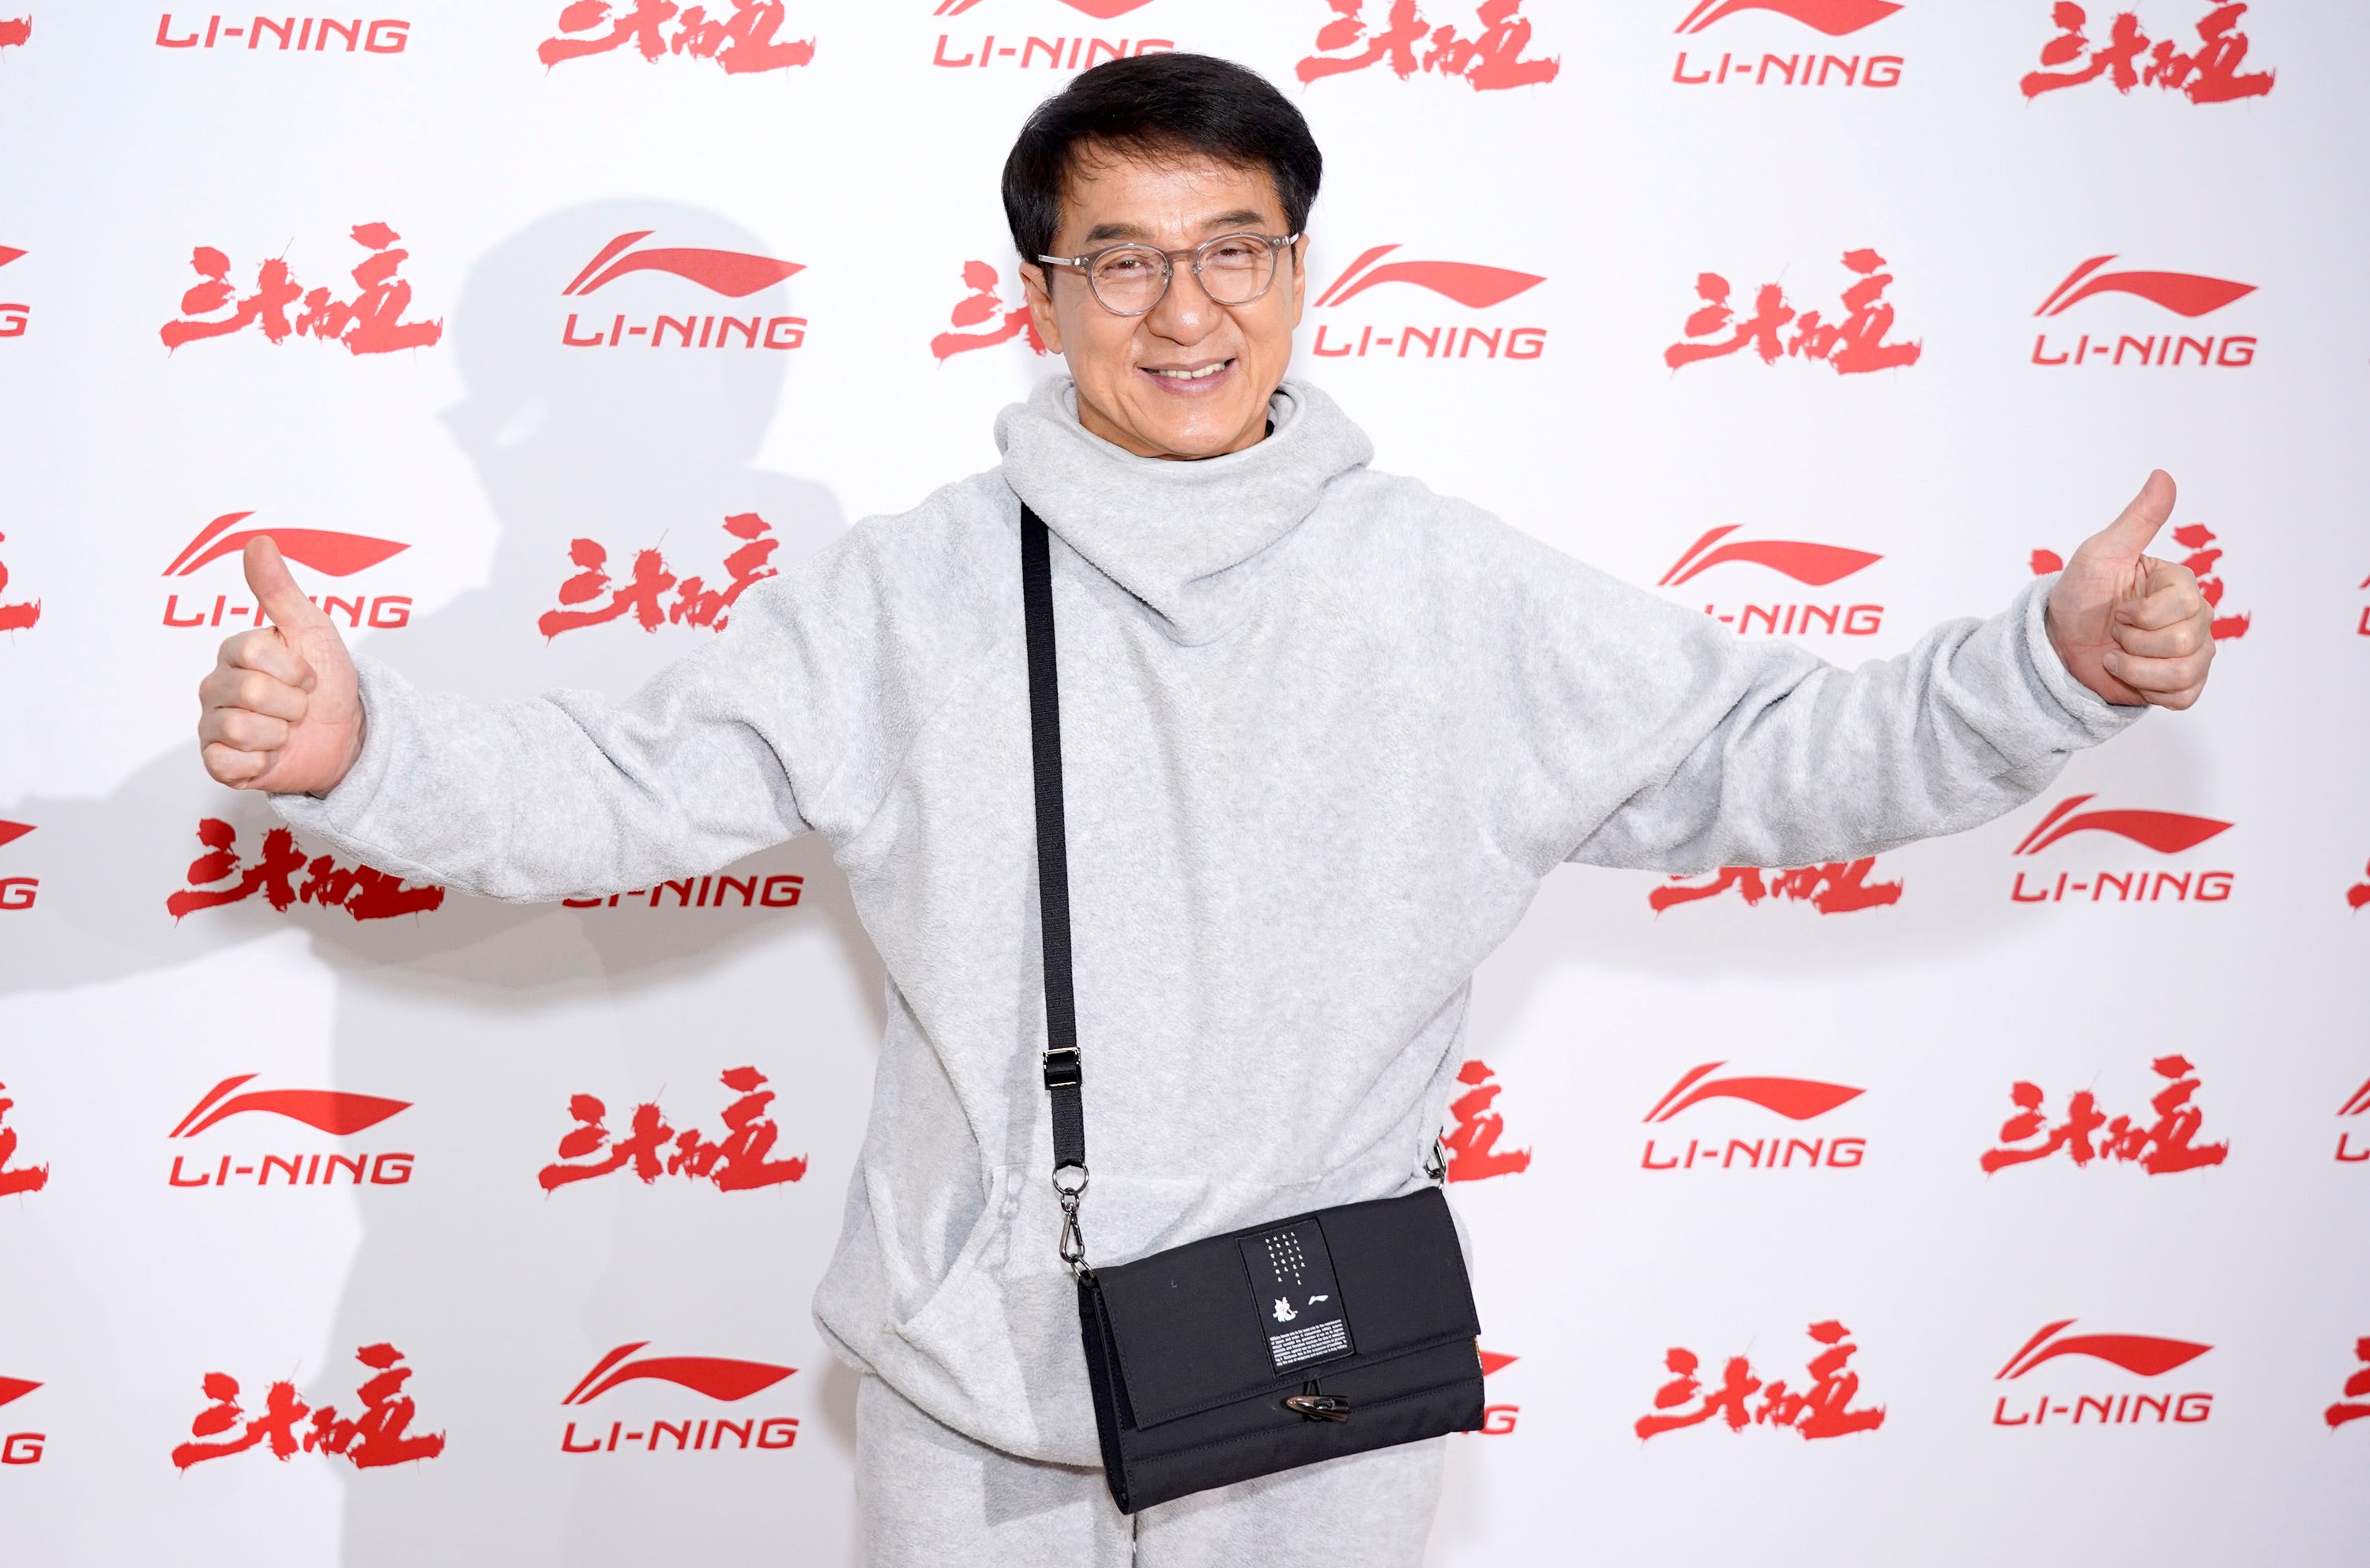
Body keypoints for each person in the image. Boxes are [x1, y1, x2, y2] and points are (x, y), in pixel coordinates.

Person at [191, 52, 2214, 1568]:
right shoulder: (913, 591)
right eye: (1125, 260)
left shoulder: (1449, 585)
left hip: (1314, 1396)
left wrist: (2050, 659)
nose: (1186, 311)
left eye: (1233, 249)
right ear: (1038, 292)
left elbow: (1768, 754)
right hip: (972, 1396)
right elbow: (628, 790)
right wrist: (367, 742)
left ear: (1302, 268)